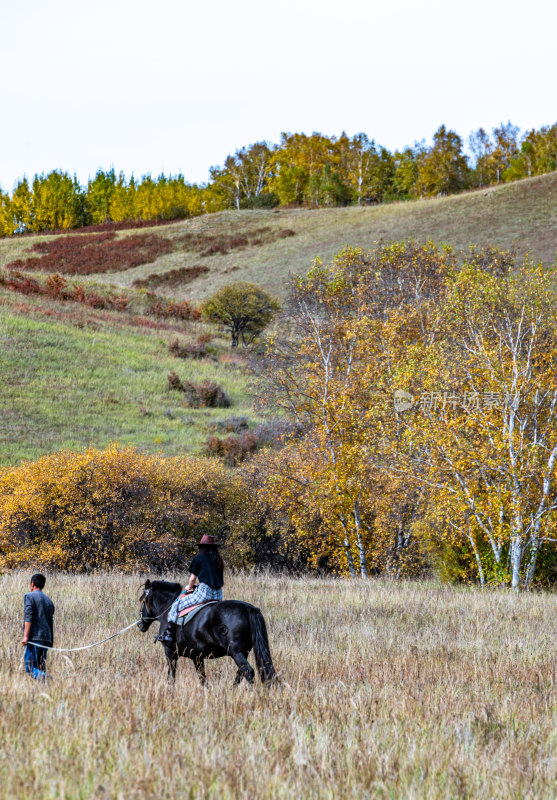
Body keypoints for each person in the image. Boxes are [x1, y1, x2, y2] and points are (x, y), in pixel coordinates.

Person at [161, 535, 224, 645]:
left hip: (205, 593)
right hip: (218, 594)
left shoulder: (199, 558)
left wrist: (189, 587)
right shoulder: (218, 560)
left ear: (202, 547)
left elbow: (192, 578)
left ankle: (169, 634)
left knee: (177, 605)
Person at [22, 573, 55, 680]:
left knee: (30, 668)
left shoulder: (29, 596)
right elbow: (51, 622)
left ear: (32, 584)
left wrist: (26, 636)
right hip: (46, 639)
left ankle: (47, 678)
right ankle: (43, 690)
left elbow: (29, 616)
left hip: (34, 639)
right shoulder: (49, 601)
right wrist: (50, 642)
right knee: (40, 667)